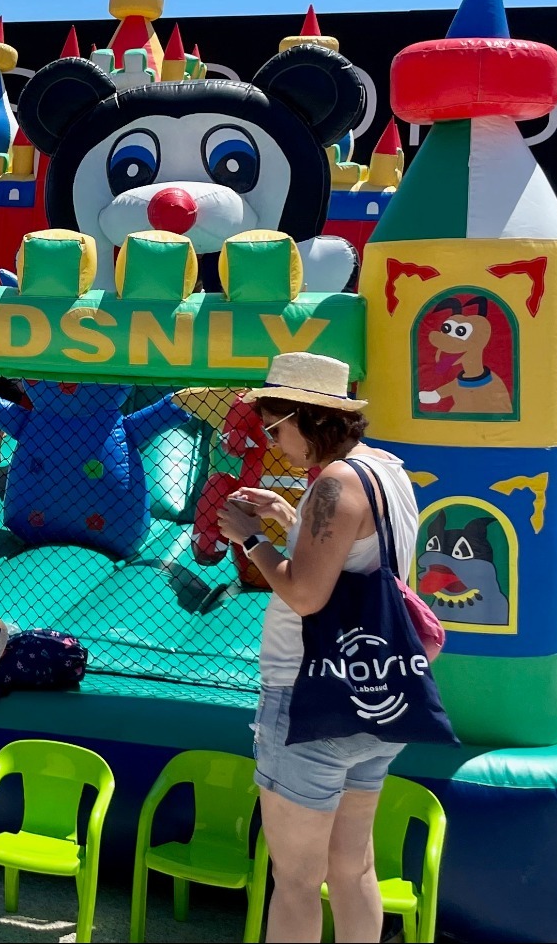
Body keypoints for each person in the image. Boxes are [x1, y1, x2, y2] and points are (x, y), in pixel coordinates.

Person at [213, 352, 423, 944]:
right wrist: (291, 518)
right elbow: (360, 558)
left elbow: (306, 594)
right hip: (376, 693)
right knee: (353, 869)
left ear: (308, 418)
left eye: (275, 429)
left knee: (297, 882)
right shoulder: (386, 471)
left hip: (311, 700)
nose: (273, 443)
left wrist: (250, 538)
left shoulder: (332, 484)